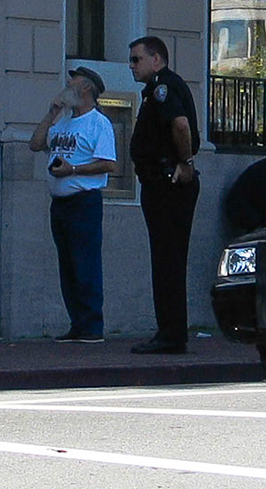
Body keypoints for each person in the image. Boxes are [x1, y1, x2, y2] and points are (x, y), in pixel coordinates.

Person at [29, 65, 122, 342]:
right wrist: (51, 113)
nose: (67, 85)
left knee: (85, 264)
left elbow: (109, 164)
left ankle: (92, 325)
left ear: (86, 89)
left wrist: (73, 170)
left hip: (84, 201)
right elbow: (35, 144)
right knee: (67, 265)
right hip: (60, 203)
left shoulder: (98, 123)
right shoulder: (63, 122)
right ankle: (77, 323)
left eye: (74, 83)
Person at [127, 35, 200, 355]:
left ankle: (171, 334)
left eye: (136, 59)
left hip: (167, 182)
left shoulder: (163, 87)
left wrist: (184, 162)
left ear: (156, 59)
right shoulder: (156, 88)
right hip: (160, 181)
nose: (131, 66)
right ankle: (170, 330)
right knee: (167, 259)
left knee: (168, 260)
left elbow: (181, 125)